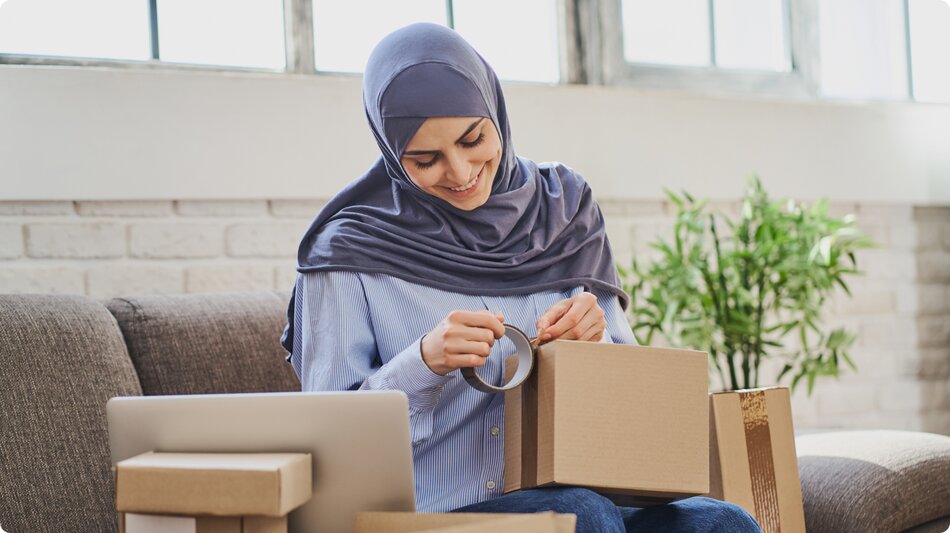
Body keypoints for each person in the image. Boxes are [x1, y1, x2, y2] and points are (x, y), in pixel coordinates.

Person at [281, 22, 760, 533]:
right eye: (425, 159)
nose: (461, 172)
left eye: (473, 139)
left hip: (585, 495)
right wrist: (424, 362)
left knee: (722, 522)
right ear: (392, 154)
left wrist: (594, 340)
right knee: (581, 513)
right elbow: (329, 444)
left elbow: (628, 403)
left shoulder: (564, 207)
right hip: (433, 514)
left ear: (496, 113)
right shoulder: (347, 249)